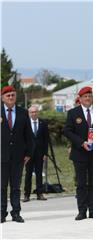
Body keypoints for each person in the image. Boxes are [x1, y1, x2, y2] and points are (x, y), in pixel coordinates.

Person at [63, 86, 93, 221]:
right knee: (81, 183)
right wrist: (81, 142)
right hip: (80, 153)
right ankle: (82, 211)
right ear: (80, 99)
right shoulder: (73, 113)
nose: (87, 98)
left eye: (89, 96)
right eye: (85, 97)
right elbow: (67, 131)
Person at [1, 86, 33, 223]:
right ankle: (1, 213)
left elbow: (29, 135)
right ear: (2, 97)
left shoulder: (23, 113)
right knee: (1, 186)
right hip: (1, 156)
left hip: (18, 157)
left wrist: (28, 154)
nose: (10, 97)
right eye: (7, 95)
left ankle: (16, 213)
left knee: (15, 186)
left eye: (13, 95)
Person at [23, 105, 49, 202]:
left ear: (38, 112)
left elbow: (46, 139)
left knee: (39, 174)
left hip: (40, 153)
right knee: (28, 174)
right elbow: (23, 139)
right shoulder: (25, 123)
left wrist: (45, 154)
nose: (34, 114)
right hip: (28, 154)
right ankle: (27, 195)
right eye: (32, 112)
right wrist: (25, 154)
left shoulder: (43, 123)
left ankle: (40, 193)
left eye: (35, 112)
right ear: (29, 113)